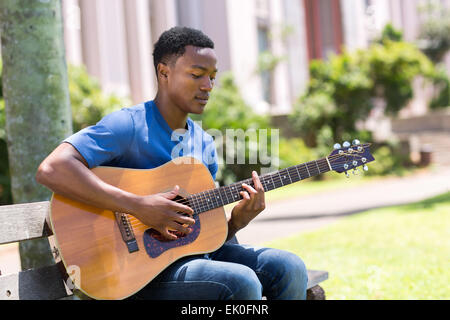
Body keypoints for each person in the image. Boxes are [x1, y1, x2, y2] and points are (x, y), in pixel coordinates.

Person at [36, 26, 308, 300]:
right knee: (240, 283)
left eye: (212, 77)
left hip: (185, 261)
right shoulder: (128, 125)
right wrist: (138, 206)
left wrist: (236, 222)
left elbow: (200, 238)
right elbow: (53, 168)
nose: (208, 86)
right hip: (131, 275)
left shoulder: (203, 142)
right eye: (197, 75)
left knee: (289, 267)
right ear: (164, 73)